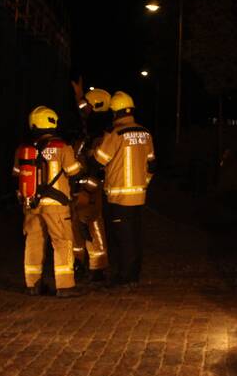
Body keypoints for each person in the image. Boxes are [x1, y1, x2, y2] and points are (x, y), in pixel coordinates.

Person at [13, 105, 83, 297]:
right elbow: (74, 171)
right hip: (57, 206)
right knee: (62, 243)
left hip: (31, 204)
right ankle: (65, 286)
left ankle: (32, 285)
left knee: (33, 243)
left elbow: (17, 174)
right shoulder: (62, 146)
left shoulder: (24, 149)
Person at [94, 91, 155, 288]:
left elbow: (99, 159)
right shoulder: (145, 133)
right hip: (139, 196)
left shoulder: (116, 133)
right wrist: (143, 184)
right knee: (135, 236)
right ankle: (134, 273)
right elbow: (151, 165)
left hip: (119, 197)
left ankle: (124, 276)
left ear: (115, 113)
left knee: (122, 238)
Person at [71, 88, 112, 283]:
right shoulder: (90, 130)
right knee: (76, 225)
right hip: (81, 186)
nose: (83, 110)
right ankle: (79, 262)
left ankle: (98, 267)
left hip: (91, 188)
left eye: (86, 107)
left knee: (93, 225)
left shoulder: (101, 136)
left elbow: (97, 166)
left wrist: (87, 187)